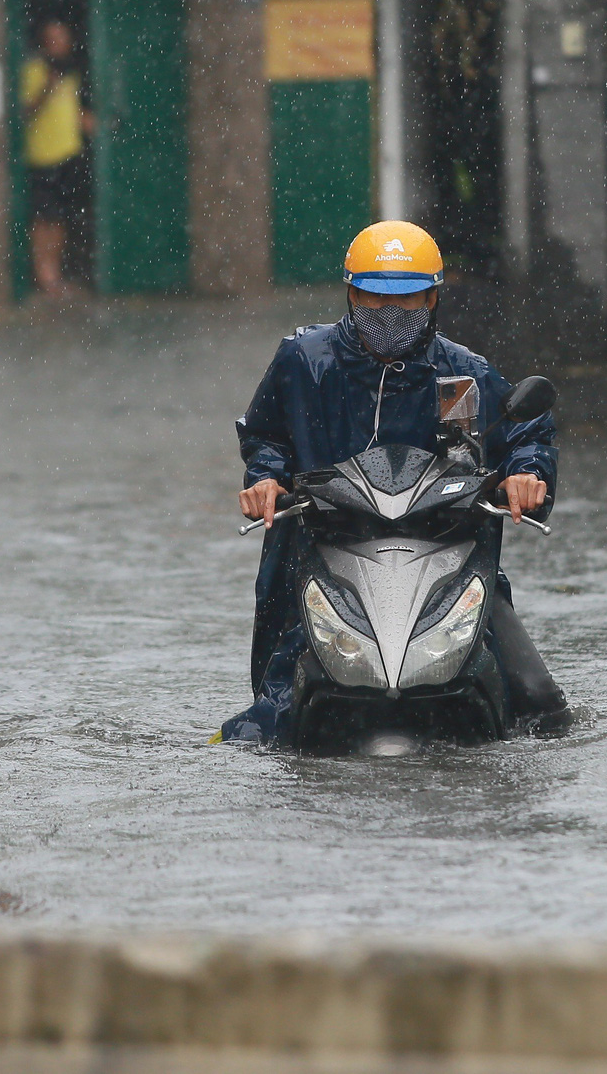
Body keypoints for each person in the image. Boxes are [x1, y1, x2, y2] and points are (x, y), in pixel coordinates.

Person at [221, 220, 569, 744]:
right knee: (268, 720)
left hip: (444, 561)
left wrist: (526, 474)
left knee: (540, 708)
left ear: (432, 299)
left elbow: (525, 430)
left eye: (407, 300)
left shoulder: (463, 374)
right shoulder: (304, 360)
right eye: (373, 297)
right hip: (322, 551)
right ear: (350, 292)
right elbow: (266, 435)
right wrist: (266, 481)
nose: (390, 313)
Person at [20, 20, 95, 298]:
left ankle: (54, 274)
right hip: (41, 155)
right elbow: (25, 112)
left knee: (61, 218)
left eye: (62, 38)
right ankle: (43, 275)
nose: (59, 44)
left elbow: (71, 108)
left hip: (68, 153)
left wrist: (86, 121)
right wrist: (46, 89)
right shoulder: (33, 70)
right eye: (53, 39)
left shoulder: (72, 73)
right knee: (43, 219)